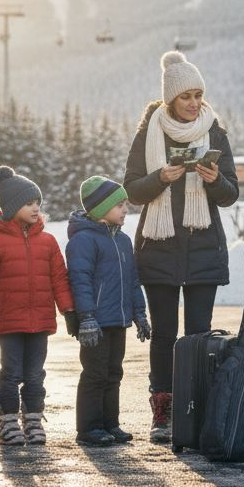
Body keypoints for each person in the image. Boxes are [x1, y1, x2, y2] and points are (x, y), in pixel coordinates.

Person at [124, 50, 239, 443]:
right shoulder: (150, 131)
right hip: (160, 246)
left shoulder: (214, 130)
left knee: (200, 333)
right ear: (170, 99)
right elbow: (132, 191)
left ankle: (199, 406)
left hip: (203, 246)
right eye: (185, 97)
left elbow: (230, 194)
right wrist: (160, 178)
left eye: (198, 96)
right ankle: (164, 408)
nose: (193, 104)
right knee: (165, 333)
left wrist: (213, 179)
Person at [0, 165, 75, 446]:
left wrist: (69, 311)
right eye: (29, 203)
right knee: (11, 373)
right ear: (12, 207)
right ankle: (9, 419)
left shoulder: (48, 242)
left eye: (38, 202)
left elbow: (59, 280)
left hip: (40, 322)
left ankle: (34, 420)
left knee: (36, 374)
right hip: (9, 322)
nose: (36, 208)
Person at [65, 176, 151, 447]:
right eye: (119, 205)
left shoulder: (123, 241)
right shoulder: (83, 241)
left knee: (114, 372)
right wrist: (87, 318)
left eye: (125, 204)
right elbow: (80, 282)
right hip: (96, 323)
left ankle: (109, 423)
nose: (125, 210)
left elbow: (133, 281)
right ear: (101, 209)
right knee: (95, 373)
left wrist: (140, 313)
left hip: (118, 320)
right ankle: (89, 428)